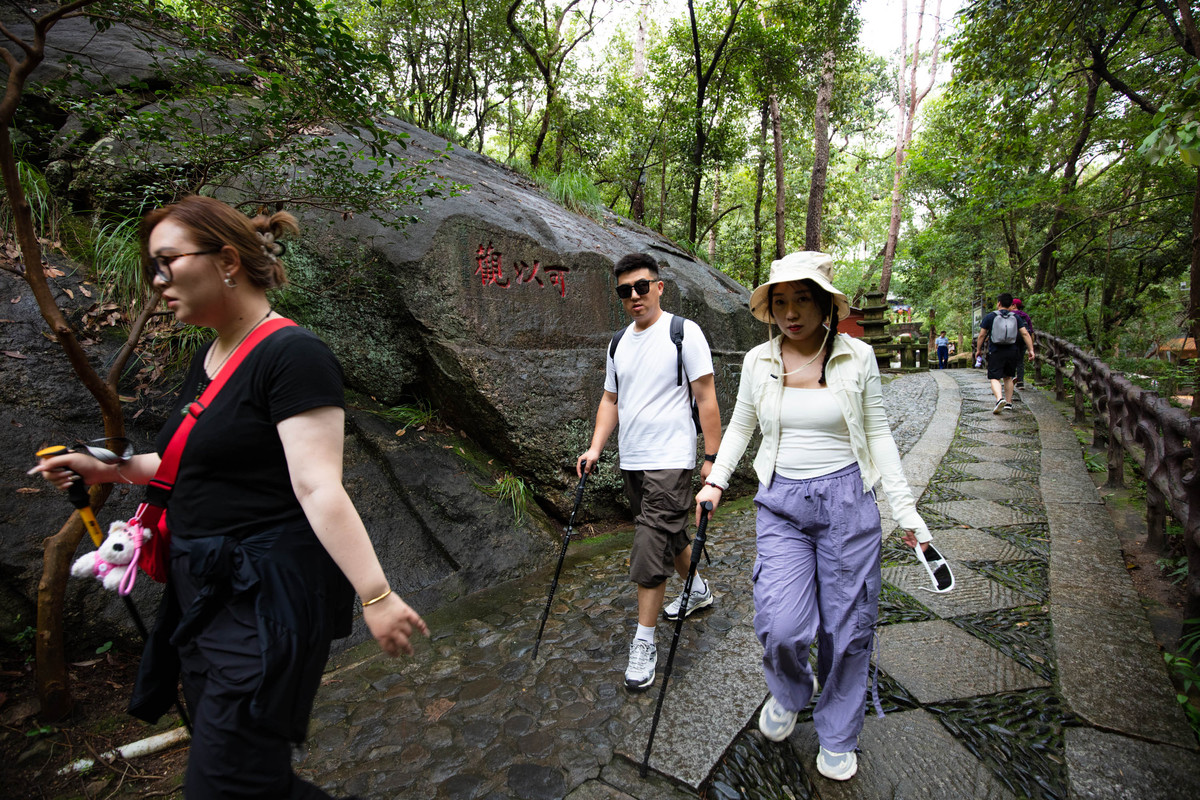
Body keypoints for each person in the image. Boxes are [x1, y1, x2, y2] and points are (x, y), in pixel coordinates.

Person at [30, 196, 428, 799]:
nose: (157, 281)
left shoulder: (293, 355)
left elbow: (317, 484)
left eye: (167, 262)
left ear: (227, 261)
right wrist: (102, 468)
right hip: (203, 593)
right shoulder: (213, 354)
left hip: (264, 596)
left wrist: (377, 595)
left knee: (225, 781)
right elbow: (183, 463)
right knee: (248, 780)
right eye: (153, 267)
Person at [694, 251, 934, 782]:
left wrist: (906, 510)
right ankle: (791, 689)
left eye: (802, 299)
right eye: (780, 301)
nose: (790, 312)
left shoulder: (857, 356)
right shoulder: (758, 361)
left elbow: (878, 433)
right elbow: (741, 426)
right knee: (780, 623)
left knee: (847, 628)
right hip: (781, 501)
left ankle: (838, 732)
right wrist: (716, 480)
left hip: (848, 500)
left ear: (825, 304)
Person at [577, 252, 722, 691]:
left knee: (649, 544)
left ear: (659, 287)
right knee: (670, 533)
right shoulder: (618, 342)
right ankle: (697, 590)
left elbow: (706, 396)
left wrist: (712, 458)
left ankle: (644, 641)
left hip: (671, 458)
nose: (634, 296)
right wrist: (595, 447)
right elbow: (610, 400)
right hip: (633, 460)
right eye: (625, 291)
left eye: (642, 287)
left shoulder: (683, 332)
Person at [974, 293, 1035, 414]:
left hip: (996, 350)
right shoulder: (1016, 317)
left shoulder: (991, 316)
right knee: (1008, 377)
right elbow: (1025, 333)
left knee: (994, 377)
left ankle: (999, 399)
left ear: (999, 303)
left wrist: (978, 350)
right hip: (1012, 350)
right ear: (1011, 304)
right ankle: (1008, 403)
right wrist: (1031, 350)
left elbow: (982, 335)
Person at [1011, 298, 1034, 388]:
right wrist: (1031, 346)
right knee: (1020, 360)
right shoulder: (1025, 316)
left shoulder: (1010, 315)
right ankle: (1020, 382)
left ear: (1014, 305)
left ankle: (1011, 378)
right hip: (1023, 340)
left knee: (1011, 359)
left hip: (1012, 339)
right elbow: (1031, 331)